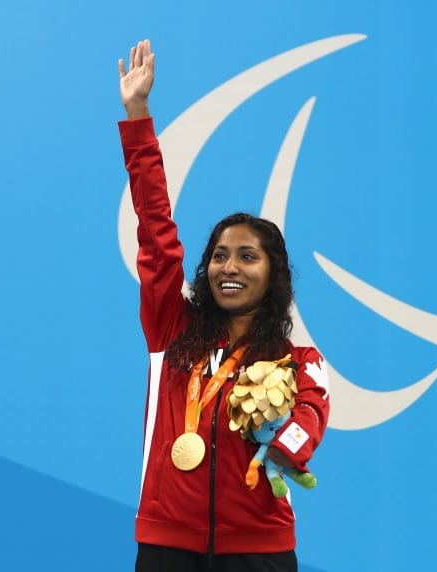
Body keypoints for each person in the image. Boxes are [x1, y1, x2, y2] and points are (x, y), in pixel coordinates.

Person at [118, 39, 330, 572]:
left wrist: (287, 441)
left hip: (259, 551)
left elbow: (309, 418)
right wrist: (138, 118)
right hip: (168, 544)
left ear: (274, 274)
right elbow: (157, 234)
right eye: (219, 255)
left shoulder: (298, 362)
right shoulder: (172, 331)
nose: (229, 267)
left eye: (247, 257)